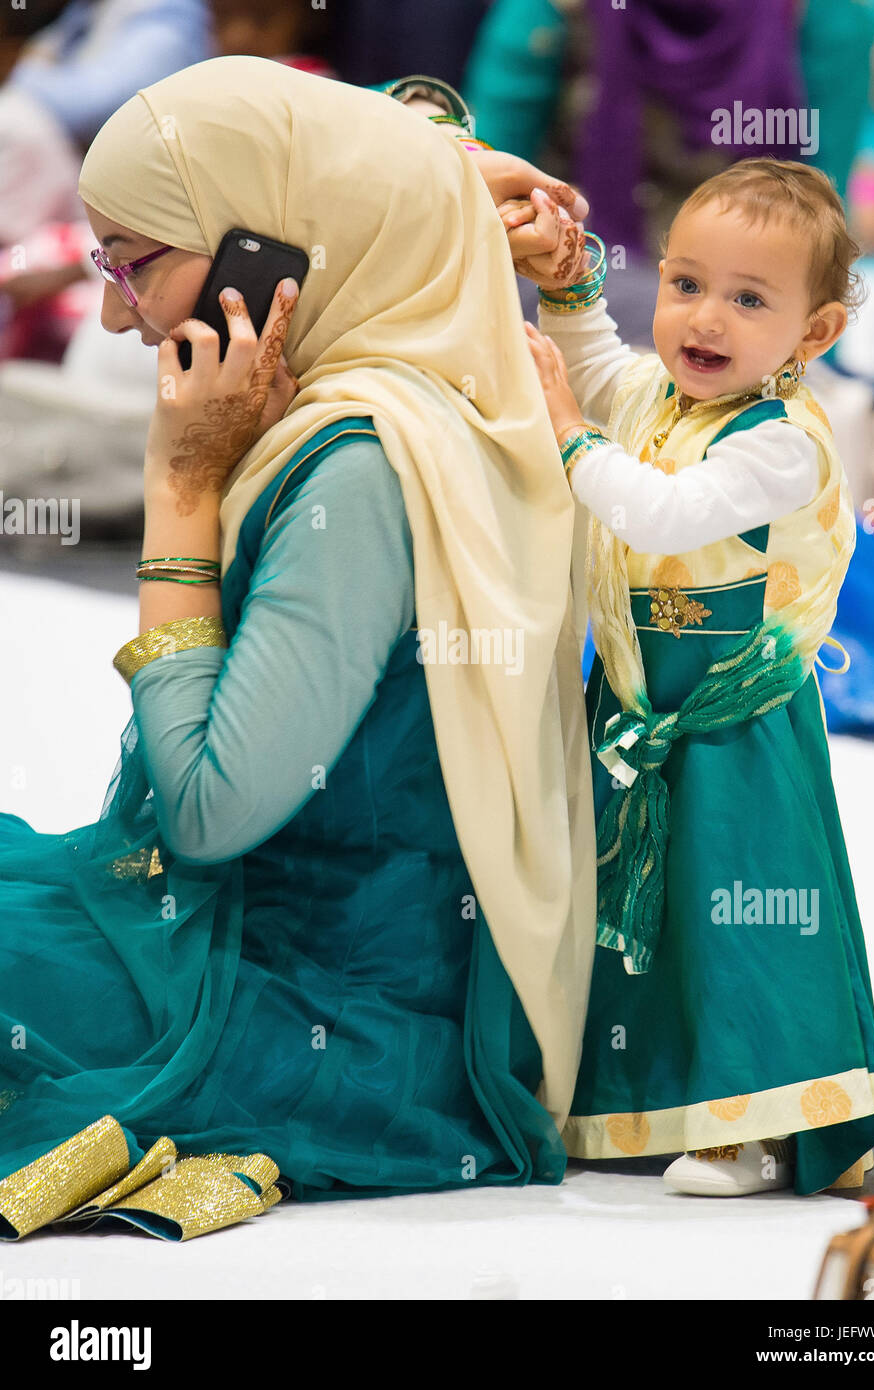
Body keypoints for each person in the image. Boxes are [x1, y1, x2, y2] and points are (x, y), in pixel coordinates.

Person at [0, 55, 598, 1240]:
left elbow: (211, 813)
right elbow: (361, 160)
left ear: (266, 248)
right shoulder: (430, 374)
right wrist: (440, 170)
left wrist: (181, 486)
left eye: (137, 260)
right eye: (103, 259)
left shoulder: (362, 462)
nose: (117, 308)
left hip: (332, 1008)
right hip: (288, 950)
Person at [521, 158, 874, 1197]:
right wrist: (566, 288)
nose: (703, 317)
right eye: (686, 284)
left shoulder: (781, 442)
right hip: (644, 708)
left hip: (734, 722)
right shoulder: (663, 396)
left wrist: (564, 436)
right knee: (643, 916)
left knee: (739, 917)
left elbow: (656, 512)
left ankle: (754, 1125)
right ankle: (646, 1091)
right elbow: (594, 364)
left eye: (747, 299)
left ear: (812, 334)